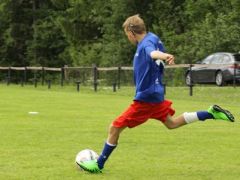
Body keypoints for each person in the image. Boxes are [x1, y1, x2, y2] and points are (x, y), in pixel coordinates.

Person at [78, 14, 235, 173]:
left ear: (131, 32)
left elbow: (152, 53)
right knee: (172, 123)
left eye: (127, 34)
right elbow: (154, 52)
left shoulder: (146, 44)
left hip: (146, 99)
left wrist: (165, 56)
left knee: (114, 127)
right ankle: (210, 113)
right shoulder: (152, 37)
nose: (128, 38)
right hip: (156, 96)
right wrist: (163, 55)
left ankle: (98, 164)